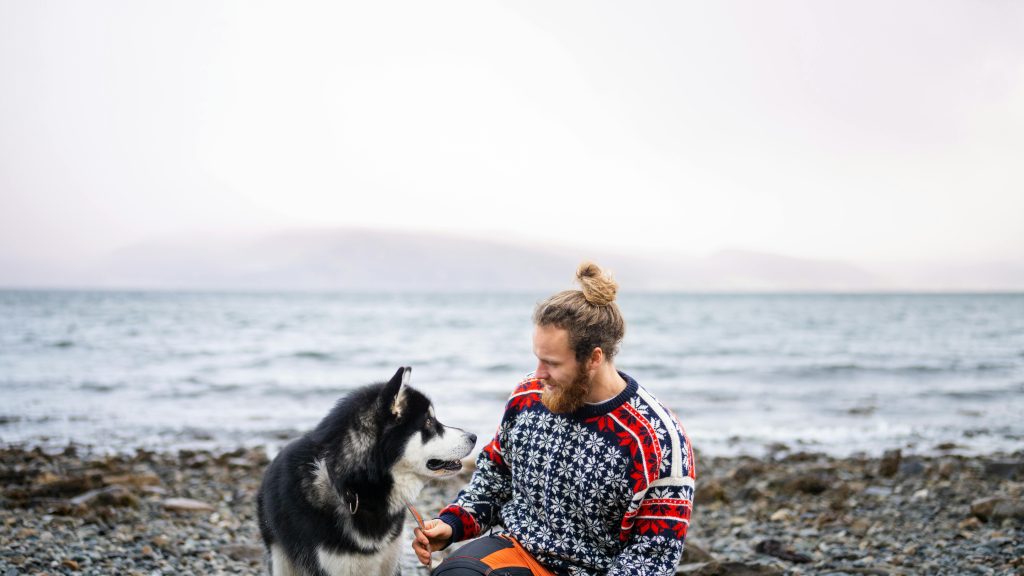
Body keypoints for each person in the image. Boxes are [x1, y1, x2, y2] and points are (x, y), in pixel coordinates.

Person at [412, 262, 696, 575]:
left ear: (593, 358)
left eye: (552, 363)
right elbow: (494, 479)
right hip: (517, 552)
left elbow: (651, 559)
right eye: (537, 358)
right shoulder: (528, 396)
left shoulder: (657, 440)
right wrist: (453, 524)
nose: (538, 374)